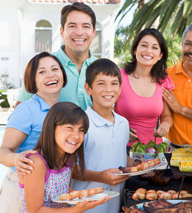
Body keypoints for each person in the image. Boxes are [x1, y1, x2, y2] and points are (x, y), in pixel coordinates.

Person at [0, 52, 67, 212]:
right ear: (33, 80)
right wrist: (16, 159)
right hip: (19, 186)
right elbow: (2, 152)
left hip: (51, 188)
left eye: (55, 69)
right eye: (42, 72)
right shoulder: (26, 110)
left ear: (62, 75)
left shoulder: (63, 110)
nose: (50, 75)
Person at [18, 102, 110, 212]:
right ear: (52, 127)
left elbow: (63, 191)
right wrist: (76, 210)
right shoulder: (36, 163)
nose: (76, 136)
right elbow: (36, 210)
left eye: (81, 130)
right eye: (70, 127)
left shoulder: (68, 158)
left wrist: (86, 197)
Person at [71, 58, 135, 213]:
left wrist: (138, 165)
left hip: (115, 205)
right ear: (88, 88)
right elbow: (68, 168)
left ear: (120, 88)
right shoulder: (80, 124)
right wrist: (100, 176)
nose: (108, 89)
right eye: (101, 83)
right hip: (87, 206)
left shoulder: (123, 123)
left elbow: (115, 154)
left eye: (114, 83)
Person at [16, 2, 97, 110]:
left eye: (86, 26)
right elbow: (20, 108)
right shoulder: (41, 65)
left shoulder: (103, 68)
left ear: (94, 32)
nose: (79, 32)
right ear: (62, 31)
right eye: (72, 26)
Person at [114, 28, 174, 147]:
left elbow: (167, 116)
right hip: (121, 150)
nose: (148, 51)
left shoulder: (163, 82)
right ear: (135, 49)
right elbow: (104, 113)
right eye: (144, 45)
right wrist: (121, 129)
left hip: (153, 153)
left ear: (160, 55)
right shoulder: (118, 78)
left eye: (154, 48)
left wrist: (165, 125)